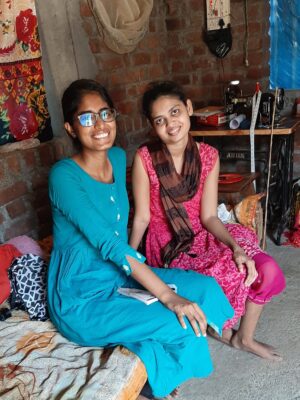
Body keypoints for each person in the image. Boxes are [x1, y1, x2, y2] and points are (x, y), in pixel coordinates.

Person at [47, 79, 234, 400]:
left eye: (105, 114)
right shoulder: (63, 175)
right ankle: (150, 376)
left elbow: (126, 226)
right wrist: (165, 295)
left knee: (205, 289)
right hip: (82, 296)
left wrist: (147, 282)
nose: (100, 125)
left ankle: (147, 345)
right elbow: (109, 244)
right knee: (179, 323)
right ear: (70, 127)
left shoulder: (119, 159)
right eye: (86, 118)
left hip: (117, 274)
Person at [130, 80, 286, 361]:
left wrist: (235, 246)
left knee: (265, 269)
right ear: (153, 126)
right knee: (226, 276)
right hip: (170, 246)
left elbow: (209, 216)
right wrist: (128, 260)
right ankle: (218, 327)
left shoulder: (208, 156)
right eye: (160, 120)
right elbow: (141, 217)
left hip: (205, 232)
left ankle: (243, 338)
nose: (171, 124)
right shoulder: (145, 158)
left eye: (175, 112)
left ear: (189, 108)